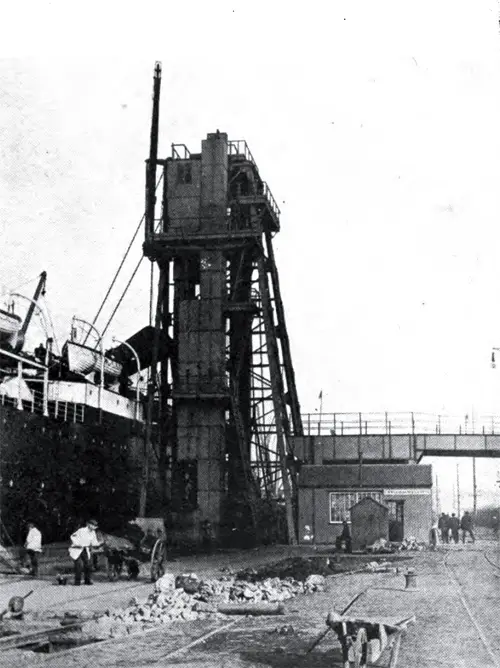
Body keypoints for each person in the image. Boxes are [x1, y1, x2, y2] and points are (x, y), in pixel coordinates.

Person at [68, 519, 103, 586]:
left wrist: (99, 543)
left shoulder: (93, 532)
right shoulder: (81, 530)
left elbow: (94, 542)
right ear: (89, 525)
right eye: (93, 525)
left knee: (88, 565)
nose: (94, 527)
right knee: (79, 565)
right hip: (77, 549)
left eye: (95, 526)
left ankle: (87, 580)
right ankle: (77, 581)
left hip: (85, 549)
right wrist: (78, 543)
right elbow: (73, 536)